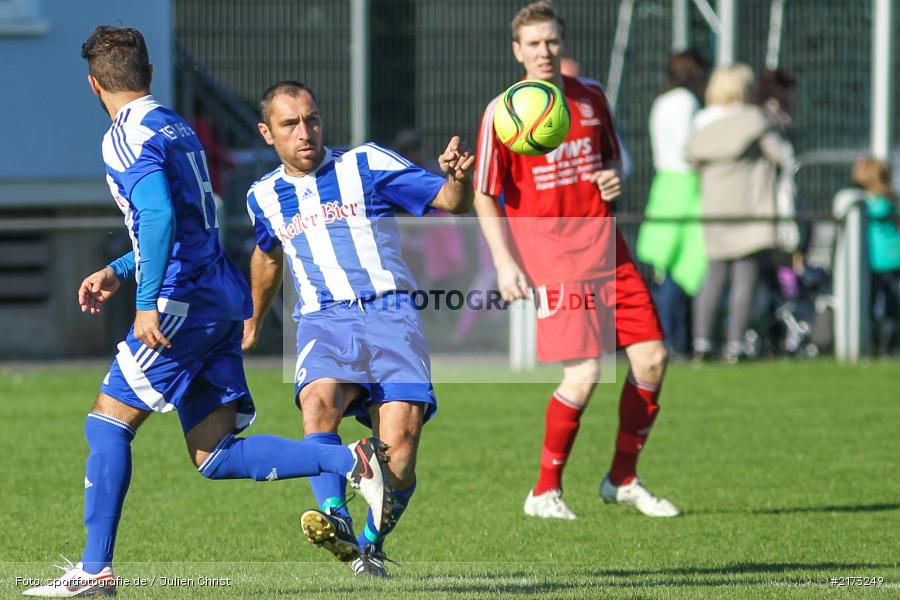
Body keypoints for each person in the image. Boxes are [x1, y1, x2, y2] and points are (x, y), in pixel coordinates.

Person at [23, 27, 390, 598]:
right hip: (217, 293)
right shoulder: (175, 125)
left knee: (107, 421)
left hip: (178, 301)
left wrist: (145, 302)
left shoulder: (123, 136)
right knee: (214, 454)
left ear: (94, 85)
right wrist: (119, 270)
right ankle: (354, 459)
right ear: (146, 72)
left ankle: (94, 573)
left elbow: (160, 216)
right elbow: (188, 218)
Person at [241, 81, 474, 576]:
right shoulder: (262, 196)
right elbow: (266, 253)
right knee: (317, 402)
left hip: (392, 315)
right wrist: (254, 317)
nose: (305, 131)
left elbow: (450, 202)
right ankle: (335, 518)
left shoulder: (364, 164)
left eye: (312, 118)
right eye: (290, 124)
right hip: (325, 320)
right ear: (267, 133)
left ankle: (369, 546)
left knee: (400, 455)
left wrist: (457, 179)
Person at [474, 1, 679, 520]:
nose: (545, 51)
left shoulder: (590, 97)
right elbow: (483, 193)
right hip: (553, 257)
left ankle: (623, 479)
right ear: (516, 51)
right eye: (534, 44)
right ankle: (544, 491)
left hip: (608, 248)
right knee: (585, 374)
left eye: (552, 42)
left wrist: (614, 176)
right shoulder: (503, 112)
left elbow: (611, 160)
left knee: (653, 359)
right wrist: (504, 263)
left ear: (561, 44)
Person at [686, 64, 792, 363]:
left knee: (714, 276)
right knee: (746, 276)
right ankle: (735, 345)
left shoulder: (703, 123)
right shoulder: (755, 120)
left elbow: (691, 159)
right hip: (749, 210)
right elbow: (782, 155)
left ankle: (702, 342)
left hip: (715, 211)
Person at [636, 50, 709, 359]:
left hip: (666, 183)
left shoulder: (662, 100)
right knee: (683, 268)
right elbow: (688, 147)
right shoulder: (685, 101)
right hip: (684, 185)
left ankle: (669, 337)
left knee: (666, 268)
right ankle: (672, 339)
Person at [851, 157, 900, 355]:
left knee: (870, 304)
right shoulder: (889, 201)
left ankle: (876, 345)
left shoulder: (867, 204)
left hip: (877, 261)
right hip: (893, 259)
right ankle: (889, 345)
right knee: (891, 306)